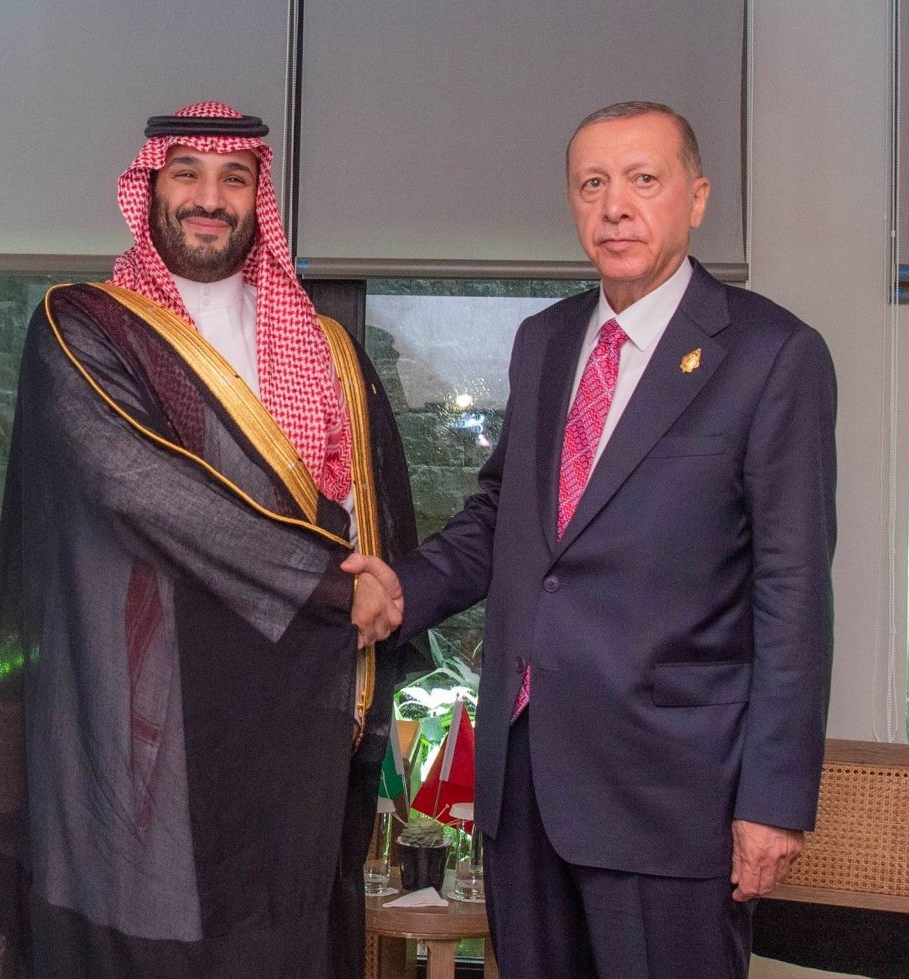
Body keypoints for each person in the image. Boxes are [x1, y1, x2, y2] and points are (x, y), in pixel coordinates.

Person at [349, 101, 837, 977]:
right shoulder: (545, 341)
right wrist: (400, 590)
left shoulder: (771, 354)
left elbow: (793, 589)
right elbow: (505, 517)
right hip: (525, 784)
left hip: (671, 792)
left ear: (697, 198)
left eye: (644, 180)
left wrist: (775, 797)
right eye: (592, 184)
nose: (616, 206)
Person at [0, 100, 416, 978]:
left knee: (282, 937)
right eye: (188, 174)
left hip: (294, 717)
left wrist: (376, 589)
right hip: (149, 719)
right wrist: (332, 585)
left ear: (258, 197)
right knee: (151, 939)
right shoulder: (84, 327)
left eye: (234, 179)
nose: (210, 199)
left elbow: (369, 511)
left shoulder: (327, 349)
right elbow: (144, 488)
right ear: (150, 187)